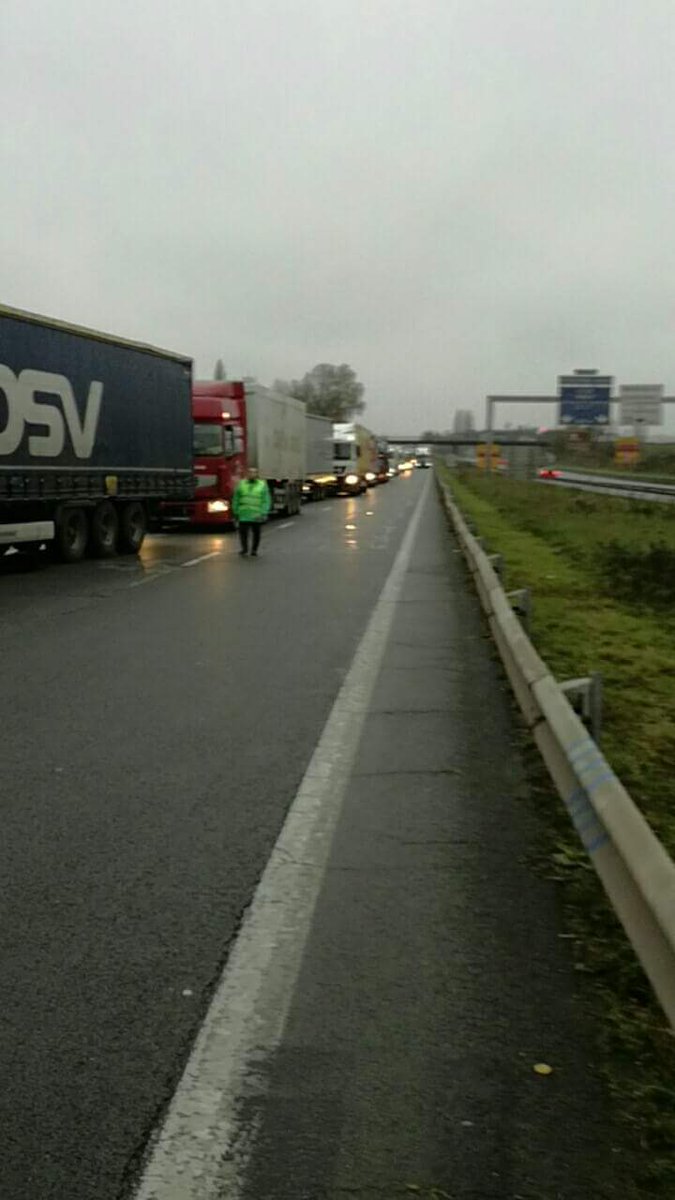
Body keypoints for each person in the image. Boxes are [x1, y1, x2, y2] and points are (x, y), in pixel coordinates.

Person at [232, 467, 272, 556]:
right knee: (243, 533)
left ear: (257, 475)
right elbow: (236, 498)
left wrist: (264, 512)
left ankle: (254, 550)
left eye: (254, 473)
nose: (252, 474)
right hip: (243, 513)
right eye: (250, 472)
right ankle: (244, 549)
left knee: (256, 533)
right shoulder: (241, 484)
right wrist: (235, 511)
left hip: (256, 514)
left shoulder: (262, 485)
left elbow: (266, 500)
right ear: (247, 474)